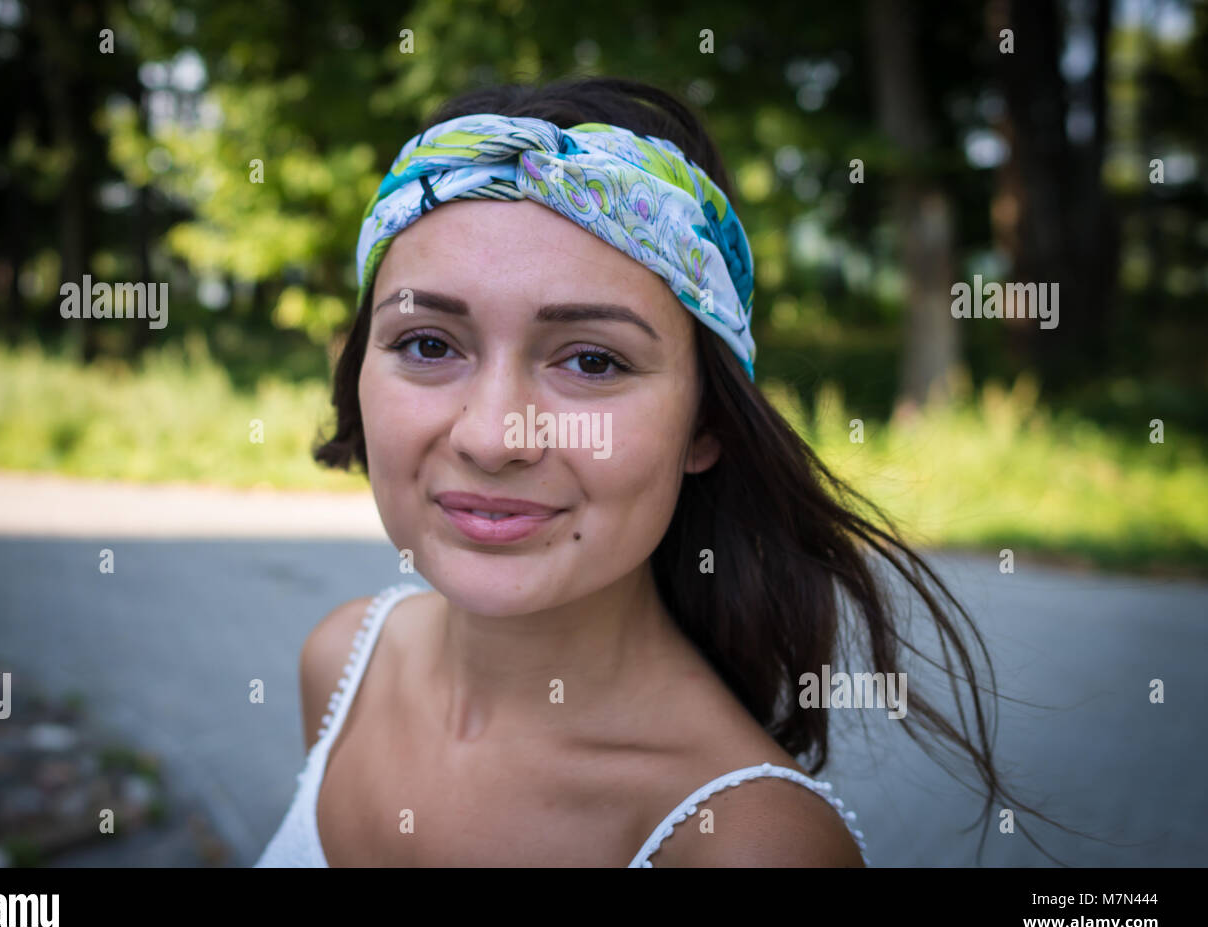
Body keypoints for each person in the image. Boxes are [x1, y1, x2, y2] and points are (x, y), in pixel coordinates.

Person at [255, 75, 1054, 867]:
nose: (495, 436)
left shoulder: (744, 847)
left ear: (706, 422)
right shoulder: (342, 664)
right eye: (429, 343)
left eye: (593, 361)